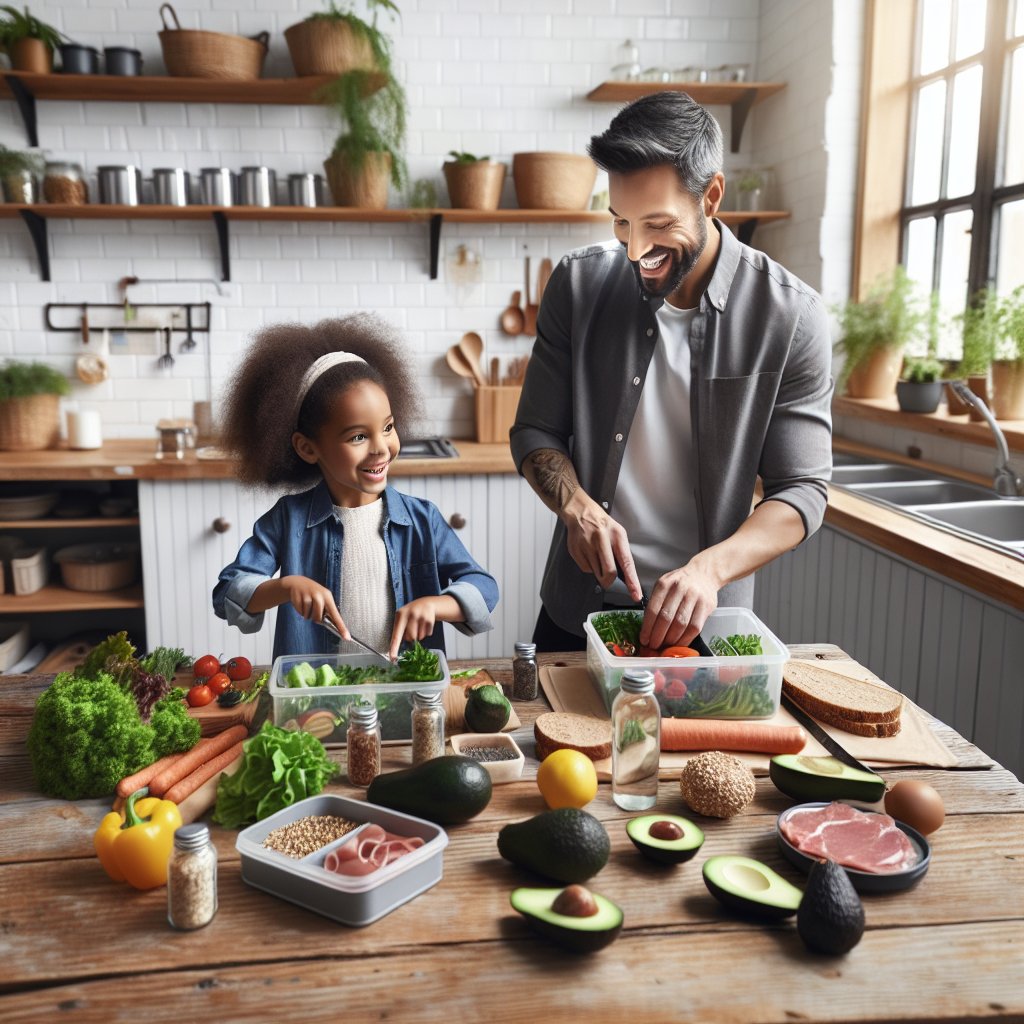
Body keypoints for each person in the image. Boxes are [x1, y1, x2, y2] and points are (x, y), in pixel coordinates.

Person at [510, 91, 833, 653]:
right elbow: (534, 433)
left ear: (711, 196)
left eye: (658, 225)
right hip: (576, 613)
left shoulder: (791, 317)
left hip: (704, 625)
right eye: (621, 224)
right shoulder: (577, 286)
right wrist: (575, 508)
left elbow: (802, 489)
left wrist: (708, 571)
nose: (636, 251)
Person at [213, 315, 498, 662]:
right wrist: (285, 587)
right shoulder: (288, 520)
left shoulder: (423, 519)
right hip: (317, 702)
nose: (381, 447)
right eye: (359, 436)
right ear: (307, 448)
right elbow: (227, 591)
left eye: (388, 427)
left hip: (405, 692)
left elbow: (485, 588)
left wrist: (437, 605)